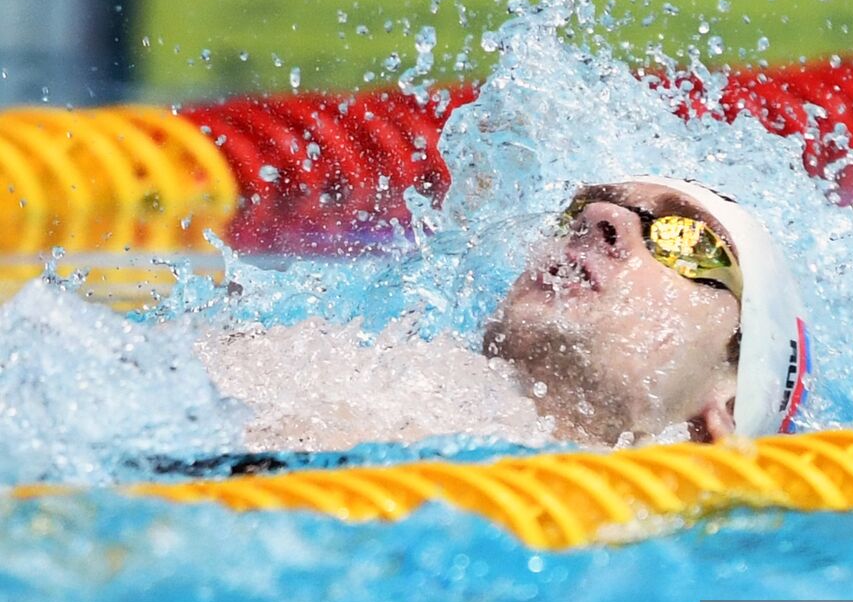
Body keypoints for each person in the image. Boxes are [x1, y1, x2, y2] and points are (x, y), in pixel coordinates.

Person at [195, 176, 810, 453]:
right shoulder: (322, 368)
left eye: (685, 241)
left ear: (725, 409)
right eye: (582, 212)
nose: (601, 222)